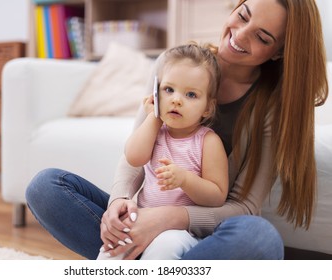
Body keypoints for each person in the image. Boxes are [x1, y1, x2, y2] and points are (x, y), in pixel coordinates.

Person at [25, 0, 329, 260]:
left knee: (260, 238)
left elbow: (245, 208)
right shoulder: (175, 64)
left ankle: (151, 261)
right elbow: (135, 156)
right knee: (45, 187)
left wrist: (169, 219)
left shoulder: (270, 107)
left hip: (202, 236)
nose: (239, 35)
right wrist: (119, 202)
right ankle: (147, 258)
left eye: (262, 37)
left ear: (278, 52)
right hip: (143, 216)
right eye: (243, 15)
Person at [97, 43, 228, 260]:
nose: (176, 99)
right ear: (156, 94)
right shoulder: (155, 130)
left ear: (208, 107)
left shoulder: (208, 141)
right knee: (112, 248)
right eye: (168, 90)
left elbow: (217, 195)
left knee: (164, 248)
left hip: (180, 233)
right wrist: (153, 119)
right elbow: (134, 157)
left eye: (191, 95)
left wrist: (185, 179)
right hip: (141, 219)